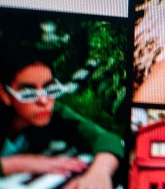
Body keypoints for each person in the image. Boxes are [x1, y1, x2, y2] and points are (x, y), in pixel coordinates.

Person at [0, 45, 123, 189]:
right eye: (28, 94)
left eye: (50, 89)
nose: (44, 101)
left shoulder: (53, 112)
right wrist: (21, 163)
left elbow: (105, 138)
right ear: (5, 94)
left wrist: (100, 173)